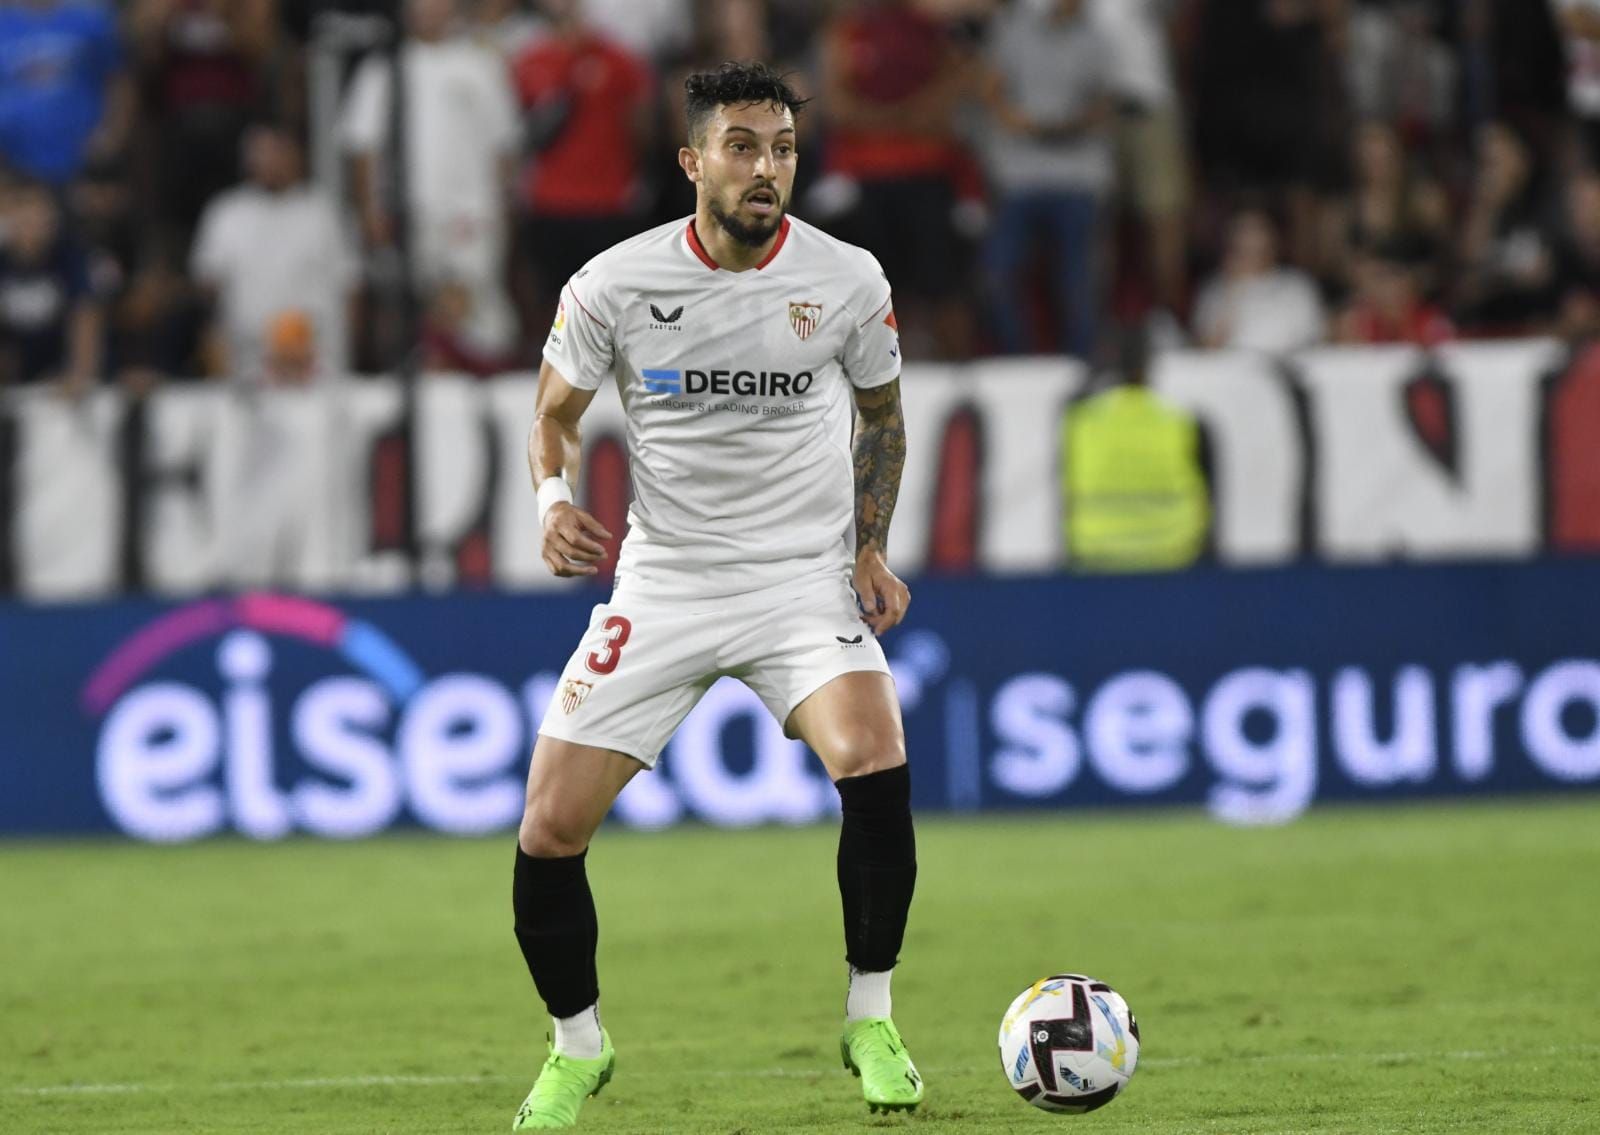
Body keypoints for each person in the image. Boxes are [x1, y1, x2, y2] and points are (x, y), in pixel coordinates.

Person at [509, 62, 920, 1129]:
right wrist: (552, 498)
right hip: (668, 580)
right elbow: (554, 413)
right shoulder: (614, 282)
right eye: (742, 146)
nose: (766, 167)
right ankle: (576, 1048)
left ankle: (870, 1017)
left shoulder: (846, 279)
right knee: (549, 828)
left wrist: (868, 550)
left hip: (797, 581)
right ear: (693, 161)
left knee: (872, 756)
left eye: (781, 147)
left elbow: (881, 419)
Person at [341, 0, 521, 357]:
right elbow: (363, 147)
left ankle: (485, 384)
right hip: (408, 210)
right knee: (413, 311)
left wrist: (503, 207)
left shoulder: (481, 63)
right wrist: (369, 211)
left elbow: (505, 146)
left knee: (474, 306)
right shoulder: (383, 68)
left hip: (471, 212)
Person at [979, 0, 1117, 359]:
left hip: (1077, 176)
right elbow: (993, 91)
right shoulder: (1015, 29)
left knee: (1078, 280)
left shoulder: (1097, 37)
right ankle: (1017, 357)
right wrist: (1017, 121)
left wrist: (1066, 125)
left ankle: (1082, 359)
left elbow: (1105, 104)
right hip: (1020, 176)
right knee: (1000, 271)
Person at [190, 124, 355, 382]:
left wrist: (346, 356)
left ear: (296, 155)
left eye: (276, 151)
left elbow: (350, 285)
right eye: (259, 152)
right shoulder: (226, 212)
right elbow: (206, 289)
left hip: (316, 366)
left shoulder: (322, 211)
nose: (268, 161)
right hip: (248, 366)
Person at [1063, 329, 1209, 571]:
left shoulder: (1078, 423)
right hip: (1173, 557)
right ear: (1148, 368)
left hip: (1096, 558)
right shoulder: (1180, 422)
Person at [0, 179, 103, 393]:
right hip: (14, 369)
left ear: (51, 219)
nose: (31, 225)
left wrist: (79, 373)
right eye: (23, 217)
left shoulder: (70, 258)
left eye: (38, 216)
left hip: (59, 369)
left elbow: (85, 316)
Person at [1192, 207, 1325, 353]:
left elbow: (1315, 344)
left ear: (1274, 239)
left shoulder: (1297, 286)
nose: (1249, 240)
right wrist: (1232, 292)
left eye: (1257, 231)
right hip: (1229, 373)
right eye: (1242, 231)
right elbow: (1206, 352)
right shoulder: (1214, 290)